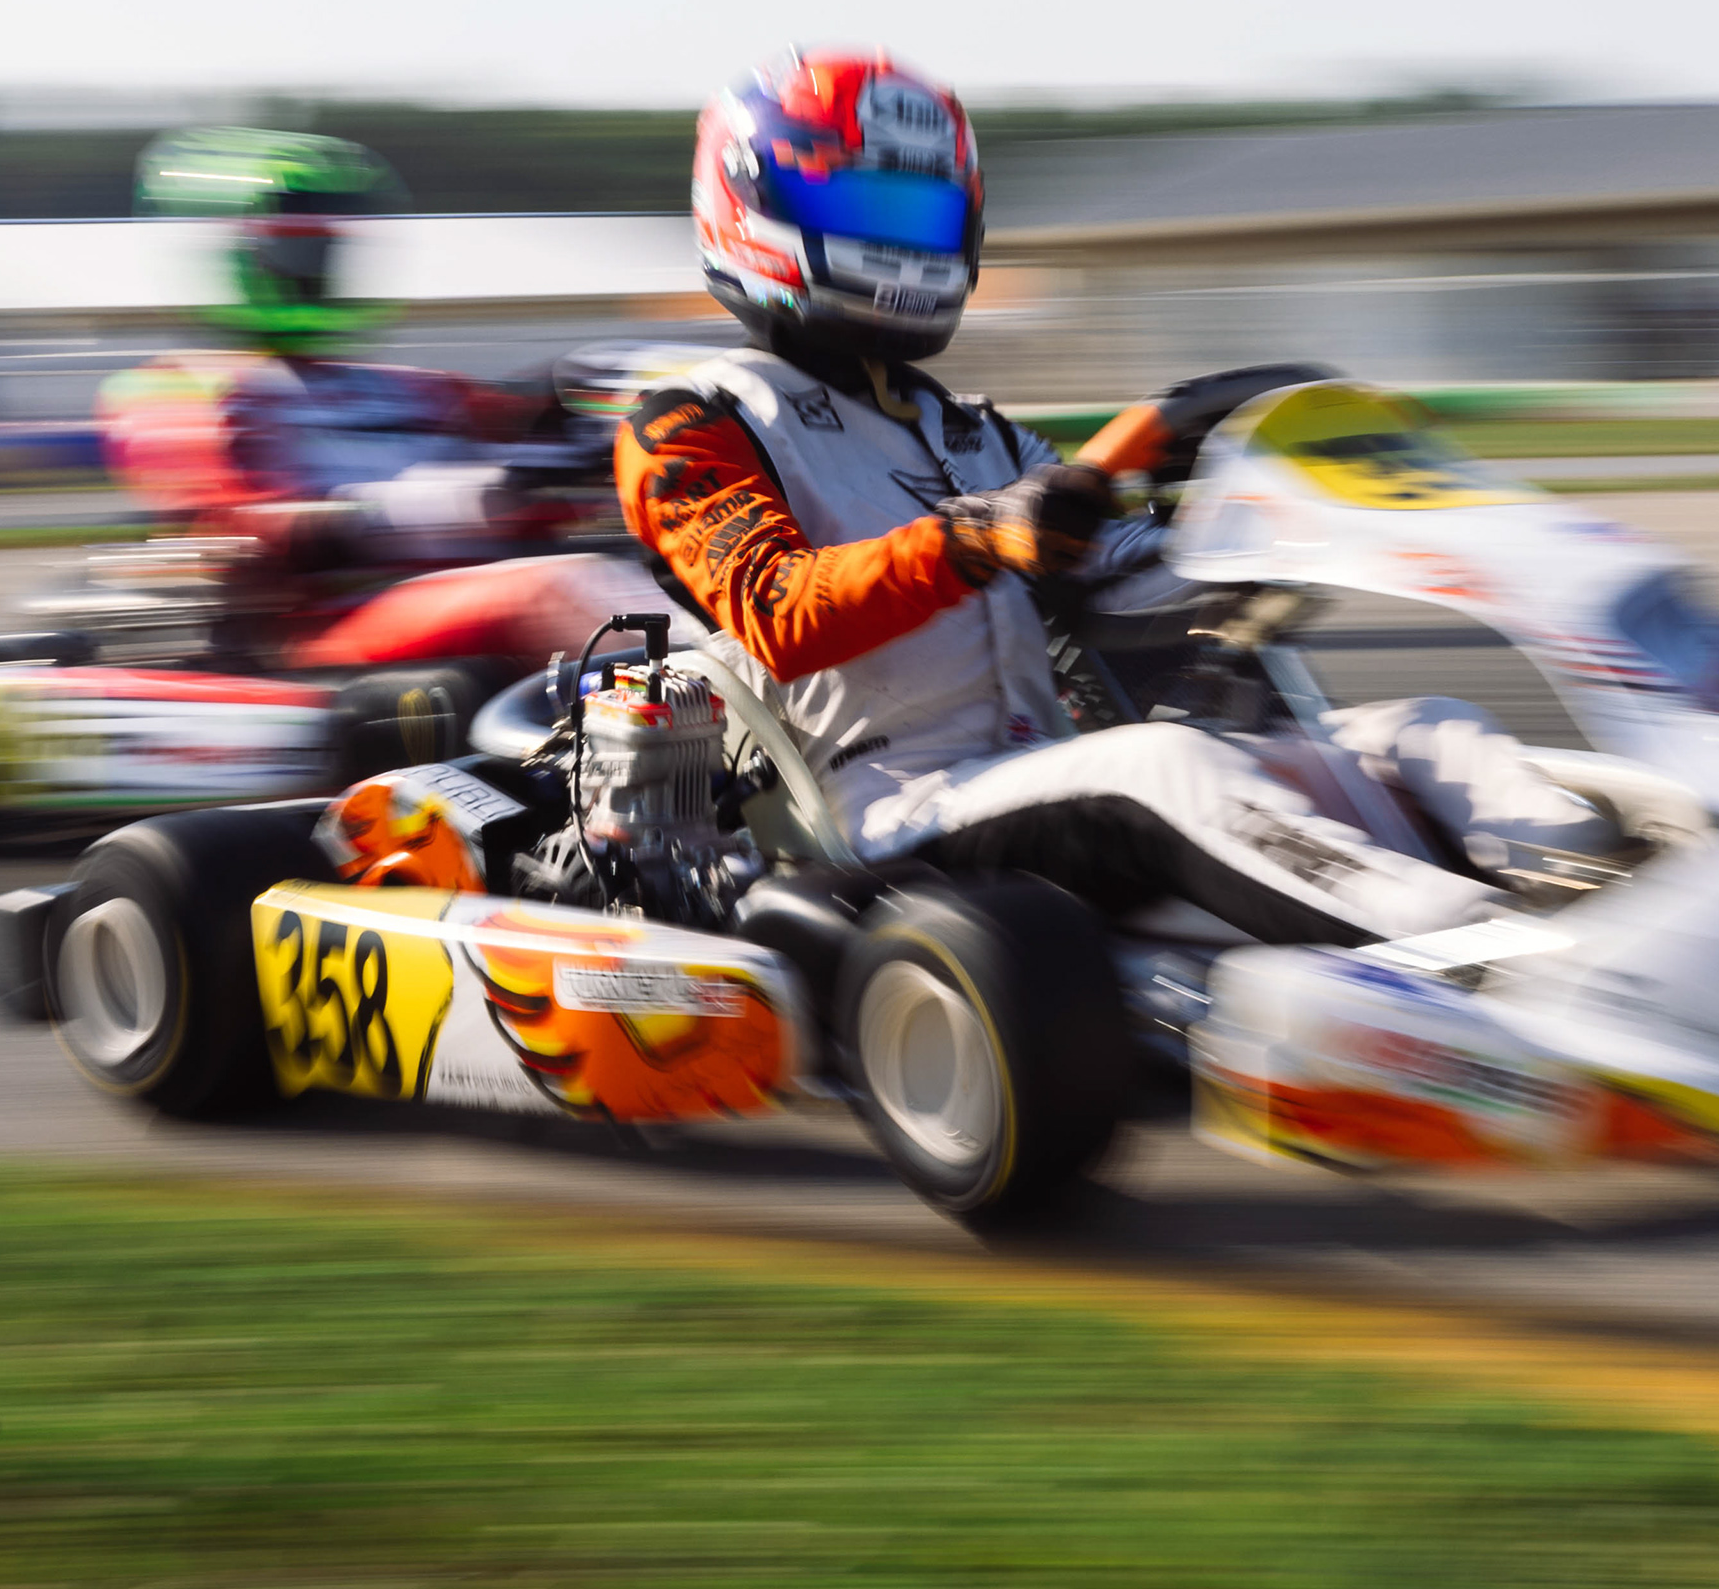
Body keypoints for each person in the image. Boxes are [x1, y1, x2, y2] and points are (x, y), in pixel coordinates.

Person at [613, 49, 1605, 946]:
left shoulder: (976, 433)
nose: (902, 246)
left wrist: (1247, 535)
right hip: (890, 810)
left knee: (1429, 729)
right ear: (755, 205)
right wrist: (978, 537)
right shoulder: (695, 423)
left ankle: (1602, 902)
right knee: (1164, 765)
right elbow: (779, 611)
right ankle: (1491, 958)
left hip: (1043, 776)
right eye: (870, 212)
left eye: (921, 218)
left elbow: (1119, 581)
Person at [100, 126, 651, 669]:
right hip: (318, 635)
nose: (317, 272)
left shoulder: (414, 386)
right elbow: (243, 531)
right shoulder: (178, 390)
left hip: (466, 613)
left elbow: (526, 438)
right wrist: (454, 502)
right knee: (554, 590)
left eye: (326, 253)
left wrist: (603, 422)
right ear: (238, 257)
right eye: (297, 254)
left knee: (647, 575)